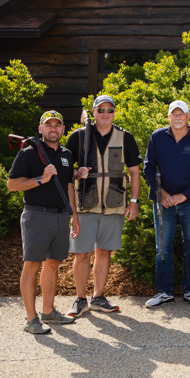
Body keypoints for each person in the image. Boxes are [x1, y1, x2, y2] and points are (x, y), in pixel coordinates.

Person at [65, 95, 141, 316]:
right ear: (93, 112)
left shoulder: (125, 137)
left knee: (104, 252)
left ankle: (98, 297)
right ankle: (80, 299)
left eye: (109, 110)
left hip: (114, 203)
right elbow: (64, 171)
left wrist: (134, 201)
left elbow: (134, 172)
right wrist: (76, 173)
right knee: (82, 254)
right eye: (101, 110)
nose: (105, 114)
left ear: (114, 112)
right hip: (85, 204)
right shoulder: (78, 137)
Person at [7, 111, 80, 334]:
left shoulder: (67, 154)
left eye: (58, 125)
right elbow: (12, 185)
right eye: (49, 125)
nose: (54, 129)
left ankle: (48, 311)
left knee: (53, 264)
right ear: (41, 129)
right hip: (36, 215)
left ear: (63, 130)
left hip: (60, 216)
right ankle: (31, 319)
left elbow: (68, 186)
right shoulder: (29, 154)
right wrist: (41, 179)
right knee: (32, 266)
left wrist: (74, 215)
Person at [143, 100, 190, 308]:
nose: (178, 117)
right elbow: (148, 167)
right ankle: (164, 291)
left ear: (188, 117)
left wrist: (184, 195)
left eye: (182, 114)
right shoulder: (157, 136)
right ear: (169, 117)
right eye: (174, 114)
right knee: (163, 247)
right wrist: (162, 194)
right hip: (162, 202)